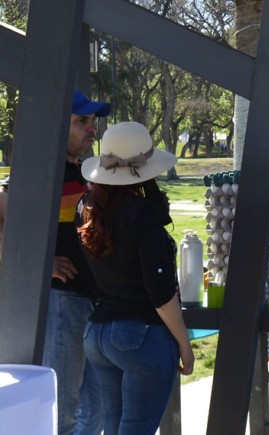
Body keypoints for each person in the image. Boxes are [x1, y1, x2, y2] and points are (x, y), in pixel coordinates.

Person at [76, 121, 194, 434]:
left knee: (113, 426)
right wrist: (185, 343)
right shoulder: (143, 215)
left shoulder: (87, 210)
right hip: (138, 336)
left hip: (98, 333)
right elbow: (160, 293)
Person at [32, 90, 111, 435]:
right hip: (62, 303)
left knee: (97, 410)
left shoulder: (83, 171)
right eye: (82, 121)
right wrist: (40, 264)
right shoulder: (41, 171)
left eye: (93, 121)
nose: (91, 128)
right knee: (62, 413)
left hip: (93, 304)